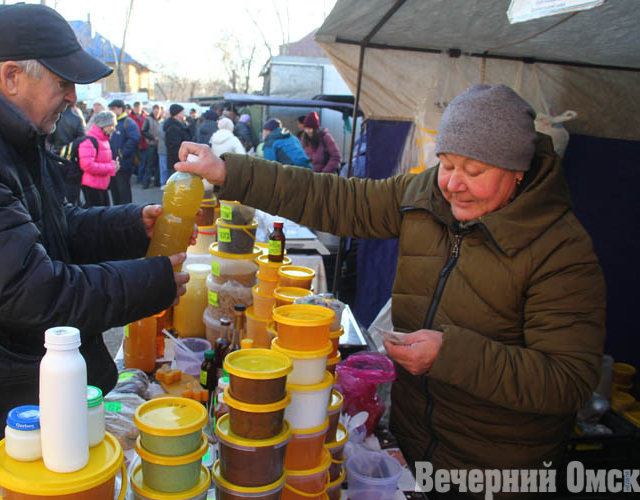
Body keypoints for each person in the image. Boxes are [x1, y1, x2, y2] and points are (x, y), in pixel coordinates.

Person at [175, 84, 606, 497]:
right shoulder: (426, 196)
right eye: (448, 164)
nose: (454, 183)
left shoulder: (559, 249)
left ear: (517, 173)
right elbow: (335, 198)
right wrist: (230, 172)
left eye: (474, 171)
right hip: (415, 441)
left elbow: (568, 379)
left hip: (498, 467)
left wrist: (449, 355)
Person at [0, 4, 191, 499]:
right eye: (63, 81)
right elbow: (28, 289)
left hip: (18, 383)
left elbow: (57, 226)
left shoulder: (7, 139)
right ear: (11, 76)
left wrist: (131, 225)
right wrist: (153, 280)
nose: (73, 98)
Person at [79, 110, 119, 207]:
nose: (114, 129)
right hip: (92, 186)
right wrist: (111, 167)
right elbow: (87, 165)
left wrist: (113, 164)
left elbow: (101, 159)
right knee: (97, 218)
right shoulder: (90, 140)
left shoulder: (103, 139)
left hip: (100, 185)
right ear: (104, 126)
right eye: (112, 125)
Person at [108, 98, 140, 204]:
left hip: (123, 164)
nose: (111, 111)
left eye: (113, 108)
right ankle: (117, 214)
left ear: (120, 109)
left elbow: (134, 139)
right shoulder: (112, 122)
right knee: (115, 192)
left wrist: (122, 153)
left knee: (123, 191)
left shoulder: (128, 123)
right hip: (111, 163)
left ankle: (126, 215)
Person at [163, 104, 192, 184]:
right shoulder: (173, 128)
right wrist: (182, 159)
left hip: (181, 161)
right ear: (177, 114)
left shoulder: (181, 125)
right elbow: (174, 147)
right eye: (183, 112)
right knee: (177, 186)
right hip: (176, 162)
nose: (185, 114)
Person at [141, 104, 162, 188]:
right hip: (151, 145)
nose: (157, 111)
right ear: (153, 110)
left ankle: (157, 182)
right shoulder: (148, 119)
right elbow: (144, 131)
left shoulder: (161, 120)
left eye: (158, 109)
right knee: (149, 164)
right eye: (155, 109)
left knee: (158, 165)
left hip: (160, 146)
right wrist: (153, 138)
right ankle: (146, 183)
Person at [129, 101, 148, 183]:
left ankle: (140, 178)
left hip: (144, 143)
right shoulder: (129, 117)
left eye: (138, 107)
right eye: (135, 107)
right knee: (132, 161)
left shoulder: (145, 117)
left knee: (143, 161)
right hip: (133, 143)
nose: (137, 109)